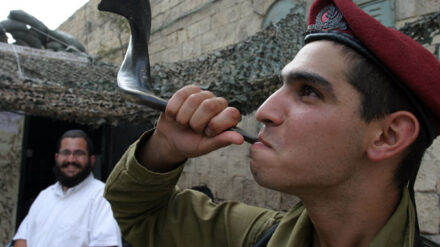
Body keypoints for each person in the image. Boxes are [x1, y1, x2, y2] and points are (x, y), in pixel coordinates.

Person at [103, 0, 440, 246]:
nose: (264, 111)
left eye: (308, 91)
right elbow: (141, 216)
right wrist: (163, 149)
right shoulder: (253, 237)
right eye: (282, 86)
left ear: (387, 136)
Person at [13, 129, 122, 247]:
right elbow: (22, 240)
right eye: (65, 153)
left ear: (92, 160)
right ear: (56, 158)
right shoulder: (45, 196)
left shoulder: (102, 196)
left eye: (79, 153)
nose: (71, 160)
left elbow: (107, 244)